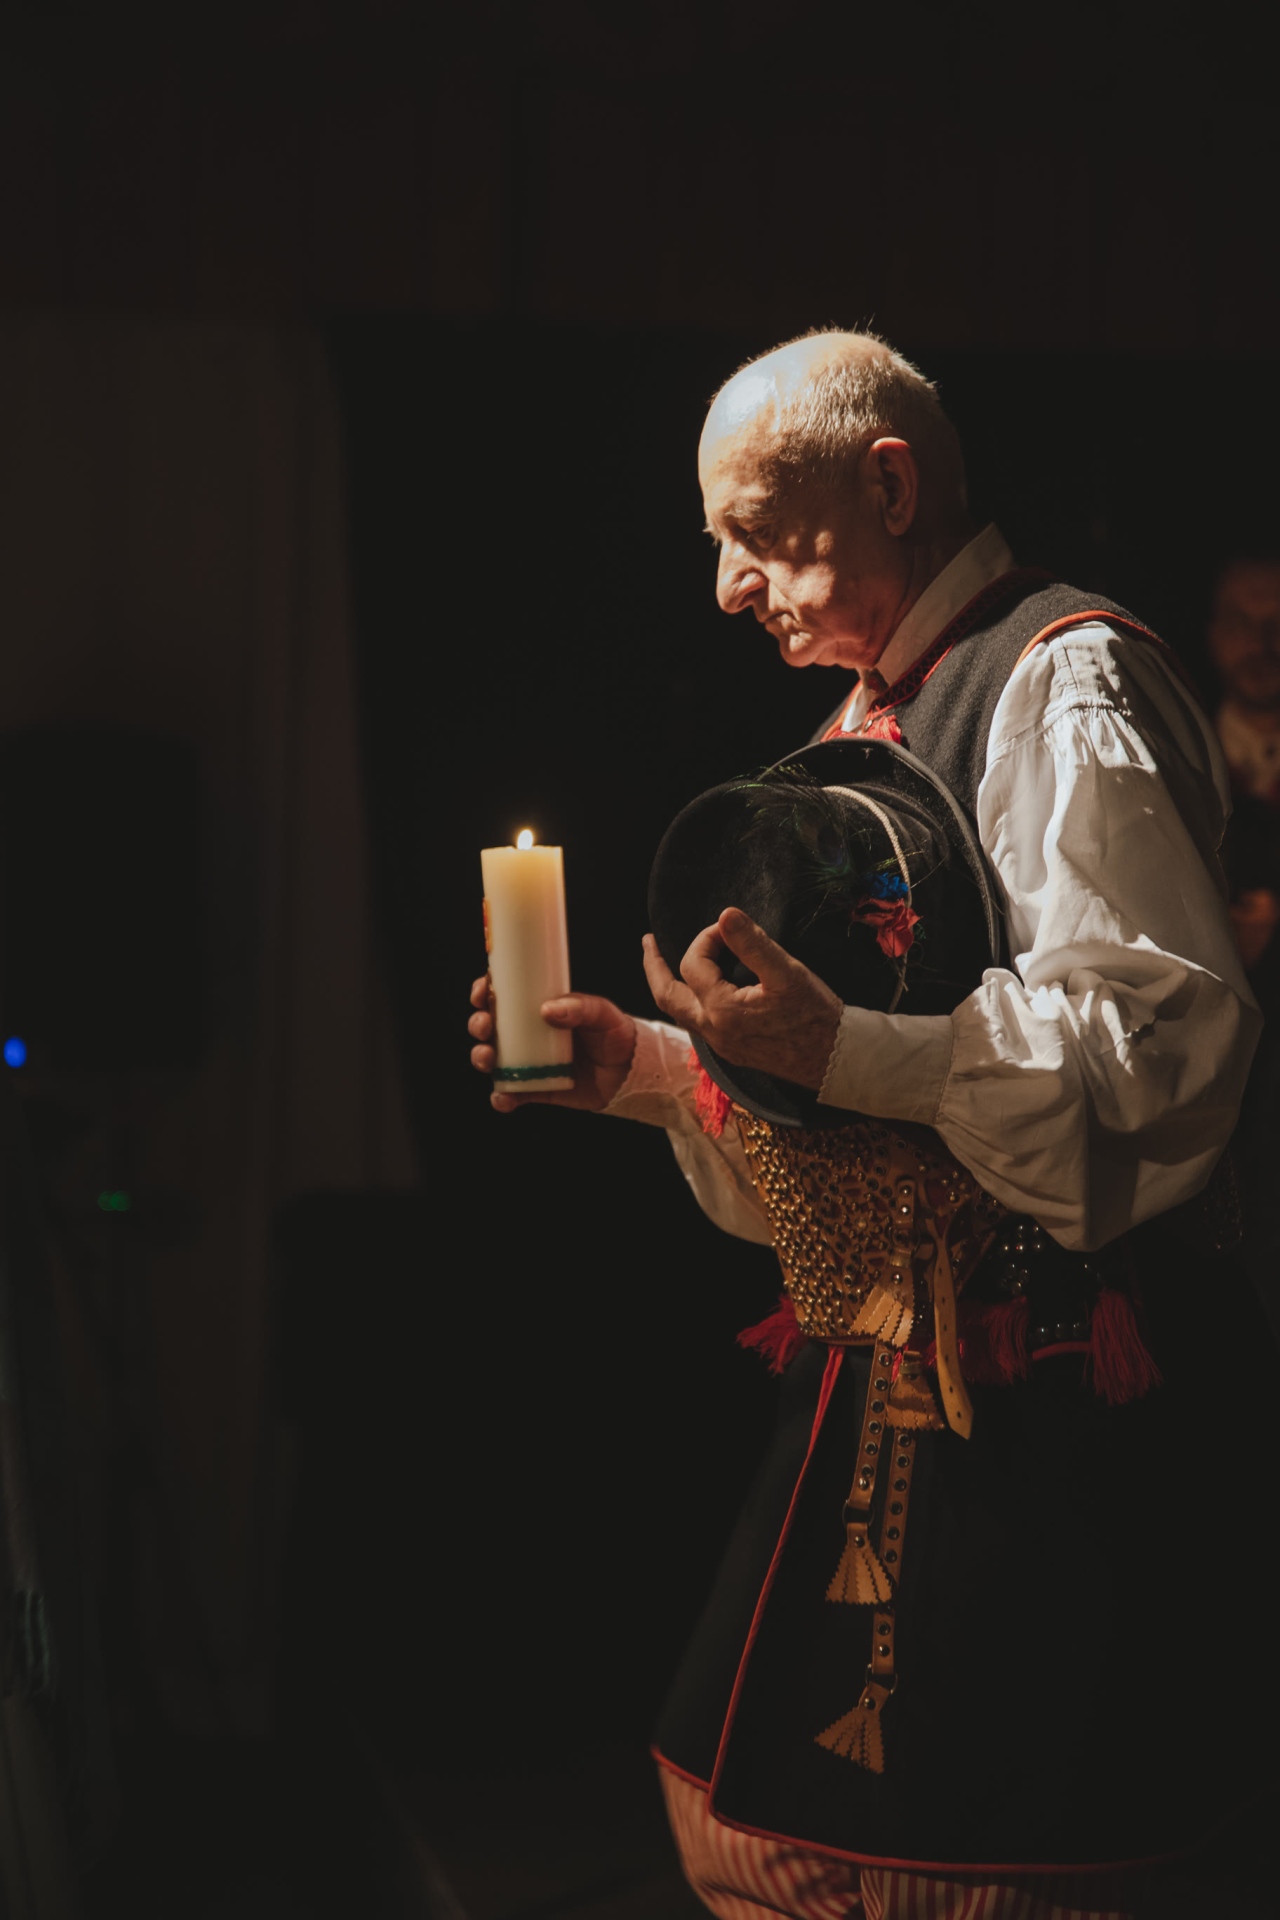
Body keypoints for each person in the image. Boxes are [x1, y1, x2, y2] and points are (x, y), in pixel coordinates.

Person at [467, 332, 1276, 1918]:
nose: (727, 586)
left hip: (1061, 1384)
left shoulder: (1065, 679)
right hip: (888, 1373)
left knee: (988, 1878)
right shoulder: (860, 733)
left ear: (889, 486)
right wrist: (648, 1067)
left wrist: (843, 1050)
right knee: (752, 1833)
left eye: (758, 533)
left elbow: (1157, 1050)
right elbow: (847, 1143)